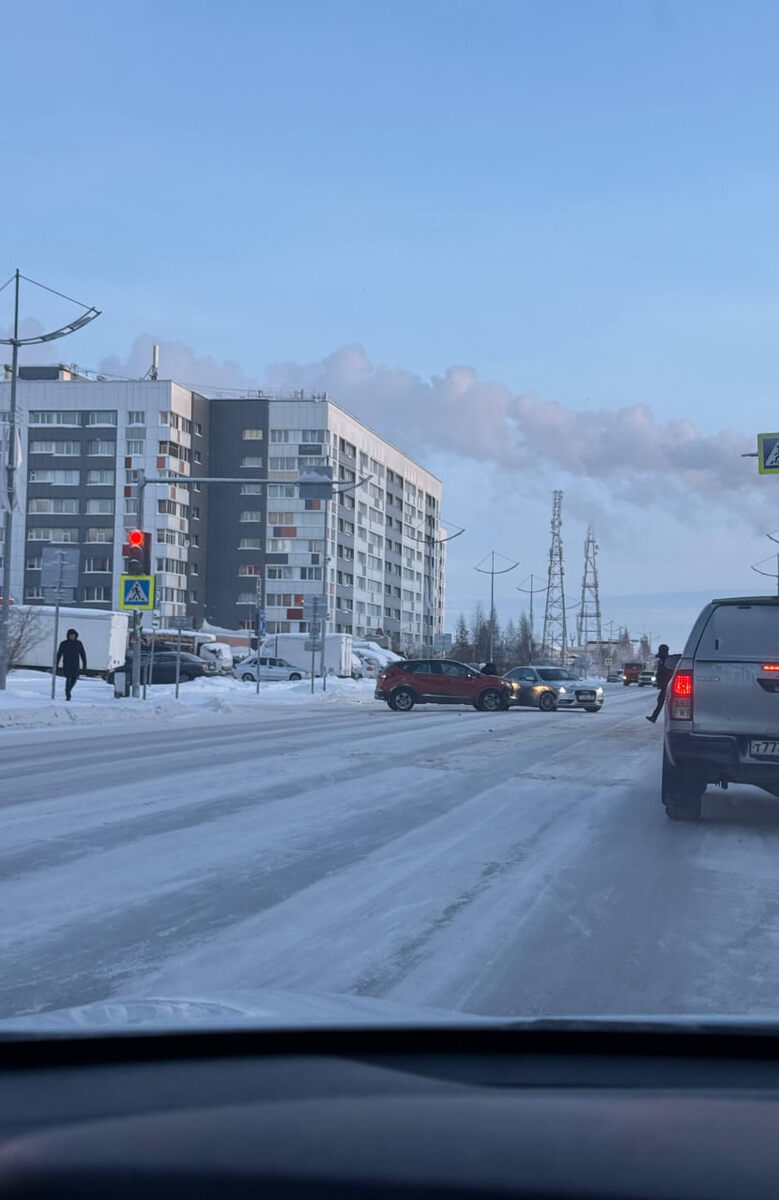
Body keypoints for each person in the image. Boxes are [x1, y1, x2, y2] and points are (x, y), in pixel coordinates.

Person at [56, 628, 87, 701]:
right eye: (70, 636)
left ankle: (68, 690)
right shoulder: (64, 643)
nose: (72, 637)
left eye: (73, 635)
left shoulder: (78, 643)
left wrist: (84, 665)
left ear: (76, 636)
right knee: (68, 678)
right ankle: (67, 694)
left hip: (75, 664)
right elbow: (59, 654)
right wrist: (56, 665)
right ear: (68, 636)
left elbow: (83, 654)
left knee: (74, 679)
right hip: (67, 664)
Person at [646, 643, 672, 723]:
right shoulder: (664, 660)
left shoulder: (666, 660)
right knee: (662, 701)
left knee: (664, 701)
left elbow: (664, 672)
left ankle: (656, 717)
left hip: (666, 685)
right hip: (665, 684)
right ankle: (655, 717)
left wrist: (662, 682)